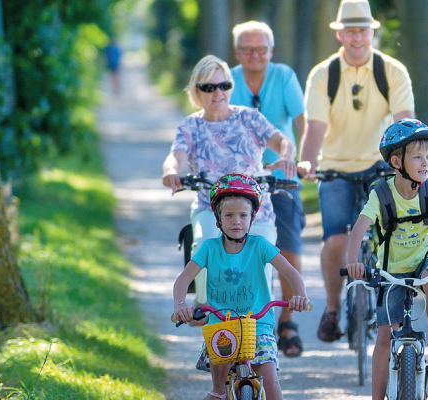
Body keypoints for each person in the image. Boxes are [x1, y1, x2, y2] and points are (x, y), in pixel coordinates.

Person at [297, 0, 415, 343]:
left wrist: (409, 163)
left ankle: (393, 308)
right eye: (350, 31)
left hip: (380, 167)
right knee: (335, 240)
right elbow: (315, 127)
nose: (357, 37)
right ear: (339, 34)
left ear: (371, 32)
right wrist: (308, 162)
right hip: (335, 168)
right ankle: (332, 309)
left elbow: (404, 121)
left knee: (392, 238)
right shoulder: (324, 74)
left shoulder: (392, 71)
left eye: (363, 30)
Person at [345, 119, 428, 400]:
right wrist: (353, 261)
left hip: (427, 257)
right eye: (417, 157)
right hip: (391, 269)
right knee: (383, 337)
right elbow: (359, 228)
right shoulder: (381, 193)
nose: (426, 163)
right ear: (396, 161)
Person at [162, 55, 297, 310]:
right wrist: (171, 171)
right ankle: (205, 305)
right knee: (206, 243)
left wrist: (287, 156)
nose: (218, 93)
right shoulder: (191, 125)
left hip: (255, 210)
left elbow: (283, 142)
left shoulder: (250, 118)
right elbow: (176, 155)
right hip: (210, 208)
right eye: (209, 87)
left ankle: (261, 321)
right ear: (196, 91)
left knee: (263, 255)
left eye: (223, 85)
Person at [172, 174, 310, 400]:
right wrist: (180, 304)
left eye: (243, 215)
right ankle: (217, 392)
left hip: (259, 326)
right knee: (217, 392)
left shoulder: (260, 245)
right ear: (218, 219)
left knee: (272, 384)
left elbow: (291, 273)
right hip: (222, 327)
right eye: (229, 215)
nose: (236, 221)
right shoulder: (209, 248)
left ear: (252, 218)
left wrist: (300, 295)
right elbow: (183, 280)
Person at [228, 21, 308, 358]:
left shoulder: (284, 76)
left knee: (287, 245)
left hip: (279, 176)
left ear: (271, 52)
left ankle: (286, 320)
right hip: (239, 178)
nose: (254, 55)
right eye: (247, 49)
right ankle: (231, 318)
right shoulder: (227, 79)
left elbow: (301, 121)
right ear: (237, 53)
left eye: (261, 49)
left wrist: (300, 160)